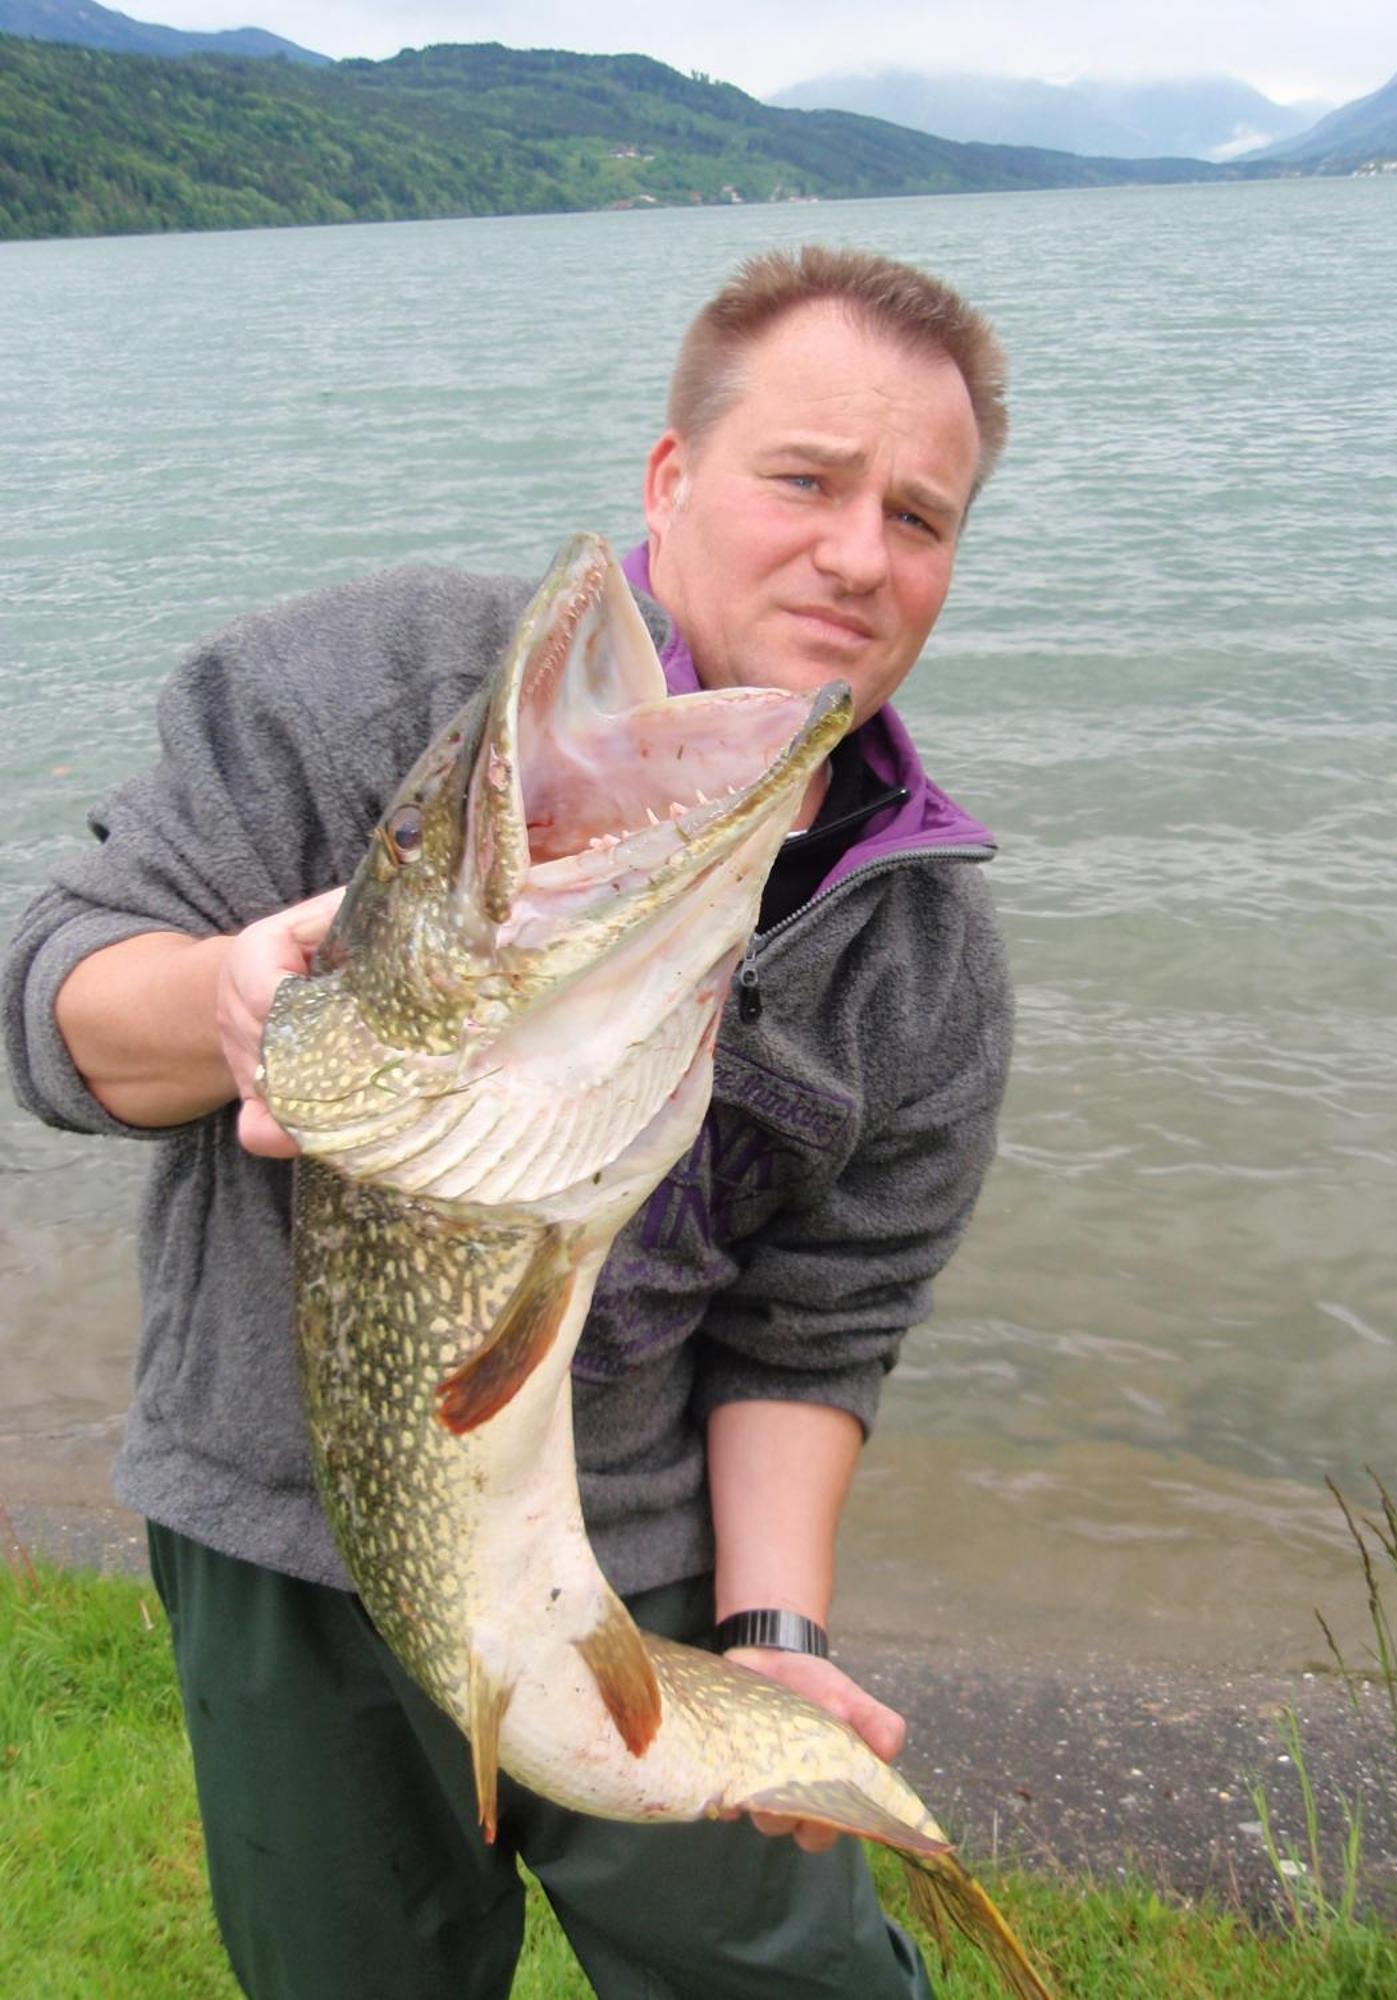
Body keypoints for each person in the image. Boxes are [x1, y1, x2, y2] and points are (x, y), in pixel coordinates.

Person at [4, 246, 1013, 1999]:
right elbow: (48, 995)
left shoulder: (919, 954)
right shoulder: (359, 690)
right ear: (671, 476)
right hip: (280, 1548)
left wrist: (771, 1635)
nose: (860, 555)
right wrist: (225, 998)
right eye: (806, 479)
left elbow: (816, 1328)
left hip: (641, 1572)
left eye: (920, 518)